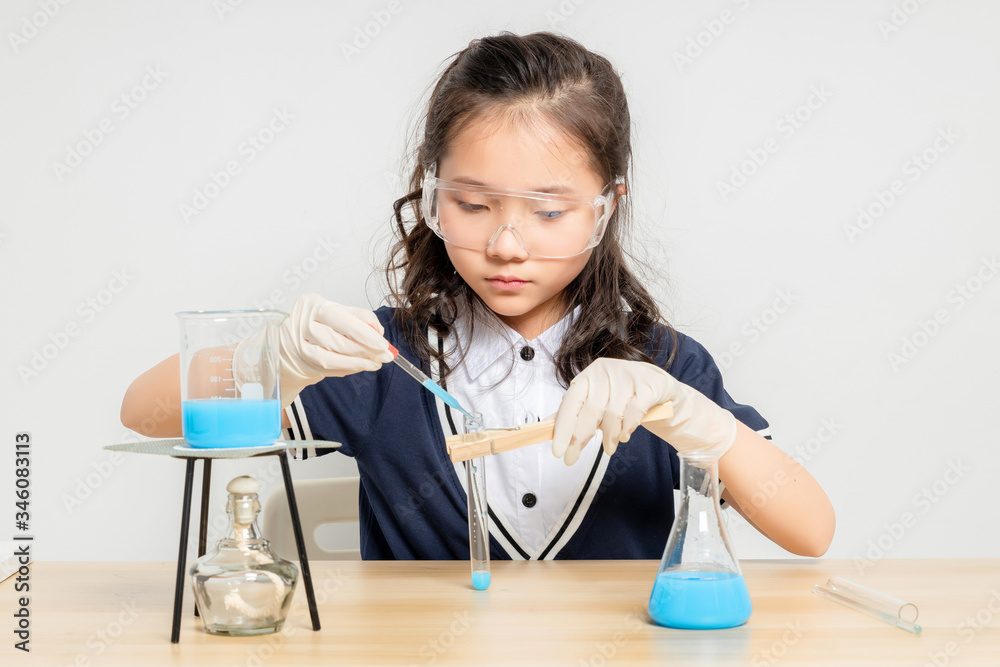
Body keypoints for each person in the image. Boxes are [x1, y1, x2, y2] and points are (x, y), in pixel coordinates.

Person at [121, 31, 834, 561]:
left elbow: (810, 529)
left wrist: (690, 415)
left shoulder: (661, 364)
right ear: (431, 192)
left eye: (549, 212)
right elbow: (144, 411)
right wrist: (270, 354)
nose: (507, 244)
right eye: (473, 203)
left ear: (607, 206)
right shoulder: (380, 358)